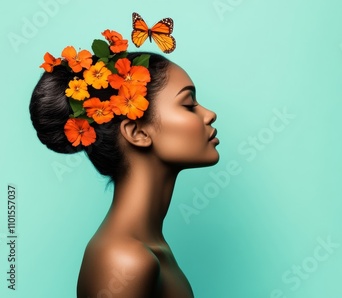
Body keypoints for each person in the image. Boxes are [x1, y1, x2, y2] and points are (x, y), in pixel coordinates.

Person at [29, 28, 219, 297]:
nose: (209, 114)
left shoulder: (147, 248)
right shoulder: (124, 260)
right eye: (188, 105)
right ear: (137, 132)